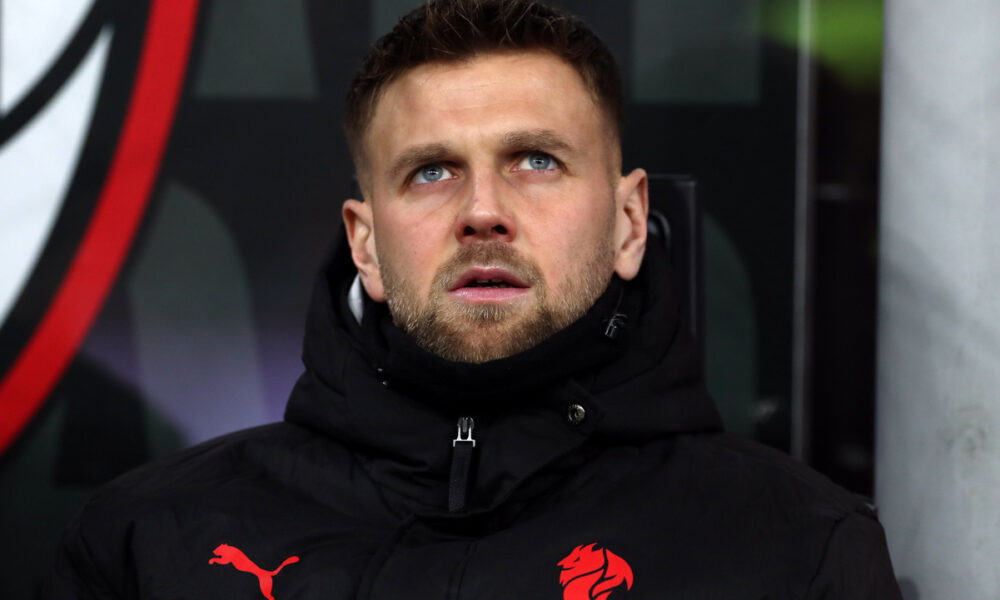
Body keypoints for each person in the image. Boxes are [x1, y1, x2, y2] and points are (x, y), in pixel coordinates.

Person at [46, 1, 903, 598]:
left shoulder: (797, 550)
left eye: (537, 160)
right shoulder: (147, 542)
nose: (483, 211)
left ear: (630, 223)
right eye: (432, 171)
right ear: (365, 245)